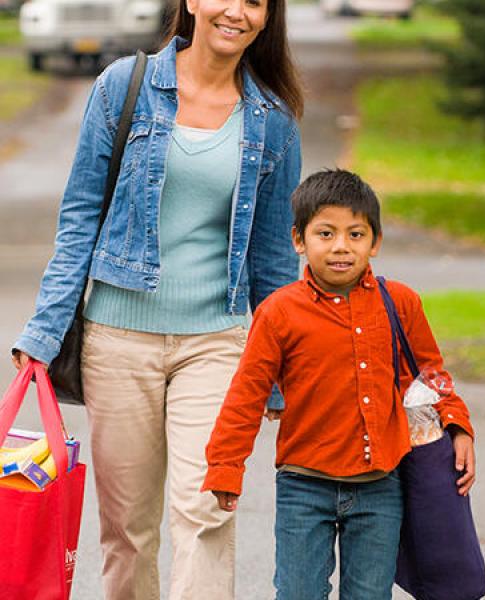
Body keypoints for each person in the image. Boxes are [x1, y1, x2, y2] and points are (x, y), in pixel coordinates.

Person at [11, 1, 303, 598]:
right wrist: (43, 332)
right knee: (127, 530)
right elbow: (79, 217)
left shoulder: (273, 120)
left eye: (256, 3)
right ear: (192, 0)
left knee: (207, 513)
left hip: (219, 344)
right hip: (118, 341)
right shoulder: (124, 86)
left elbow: (274, 261)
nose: (237, 12)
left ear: (267, 19)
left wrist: (279, 374)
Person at [202, 169, 477, 599]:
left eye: (355, 234)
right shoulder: (279, 312)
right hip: (303, 485)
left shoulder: (400, 302)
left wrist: (457, 424)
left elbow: (430, 375)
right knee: (298, 593)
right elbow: (247, 393)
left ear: (375, 241)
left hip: (380, 485)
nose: (341, 247)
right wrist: (225, 466)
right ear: (299, 240)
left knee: (369, 595)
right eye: (325, 234)